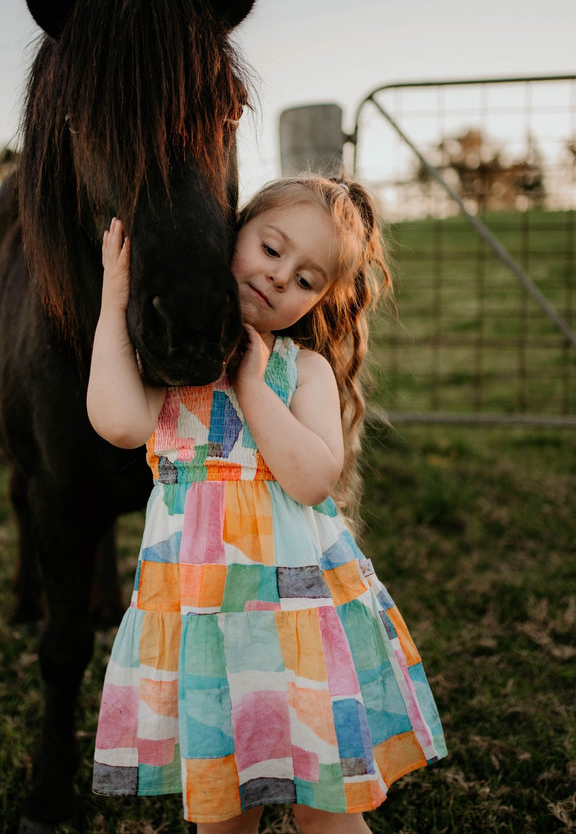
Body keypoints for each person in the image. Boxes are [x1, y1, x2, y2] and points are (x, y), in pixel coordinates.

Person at [88, 175, 447, 834]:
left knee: (330, 812)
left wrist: (252, 384)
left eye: (308, 280)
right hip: (209, 625)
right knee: (225, 816)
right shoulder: (176, 364)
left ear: (322, 300)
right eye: (271, 249)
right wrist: (114, 301)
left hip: (300, 623)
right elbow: (117, 423)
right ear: (231, 234)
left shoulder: (299, 369)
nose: (282, 279)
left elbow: (313, 478)